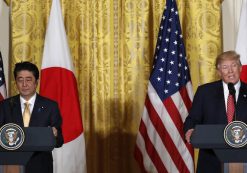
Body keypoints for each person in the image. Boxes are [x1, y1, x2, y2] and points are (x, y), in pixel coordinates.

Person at [184, 50, 247, 173]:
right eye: (225, 67)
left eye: (234, 65)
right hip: (211, 160)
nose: (230, 71)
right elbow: (192, 119)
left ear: (240, 68)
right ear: (219, 72)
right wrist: (190, 129)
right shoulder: (205, 92)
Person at [0, 61, 63, 173]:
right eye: (20, 80)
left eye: (28, 80)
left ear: (36, 82)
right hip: (12, 166)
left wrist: (55, 134)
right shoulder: (5, 105)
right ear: (16, 83)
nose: (24, 84)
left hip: (40, 166)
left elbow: (59, 142)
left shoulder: (50, 106)